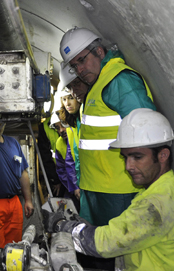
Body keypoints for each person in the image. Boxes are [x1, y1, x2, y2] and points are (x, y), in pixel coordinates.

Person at [43, 108, 174, 271]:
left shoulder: (157, 202)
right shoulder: (159, 189)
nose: (128, 166)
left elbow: (105, 243)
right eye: (126, 157)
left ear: (163, 155)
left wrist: (60, 225)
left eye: (137, 157)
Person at [59, 27, 157, 227]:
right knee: (97, 250)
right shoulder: (98, 84)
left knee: (115, 251)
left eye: (82, 60)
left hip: (119, 190)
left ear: (99, 52)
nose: (80, 70)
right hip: (97, 188)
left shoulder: (118, 81)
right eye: (74, 66)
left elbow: (148, 131)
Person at [54, 88, 80, 208]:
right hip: (75, 183)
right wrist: (74, 186)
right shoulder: (60, 142)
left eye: (70, 98)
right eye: (64, 99)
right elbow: (67, 163)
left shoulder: (78, 124)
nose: (67, 103)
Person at [37, 115, 62, 197]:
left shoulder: (72, 119)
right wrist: (55, 180)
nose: (61, 130)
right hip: (57, 173)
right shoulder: (44, 127)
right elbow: (45, 157)